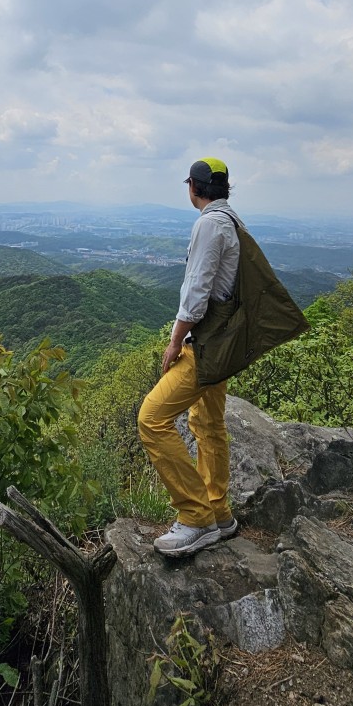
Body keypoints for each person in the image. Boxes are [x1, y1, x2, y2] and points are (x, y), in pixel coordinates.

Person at [138, 157, 242, 558]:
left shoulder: (209, 224)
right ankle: (218, 512)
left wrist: (175, 340)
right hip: (225, 342)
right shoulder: (232, 221)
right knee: (207, 422)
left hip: (206, 343)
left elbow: (196, 290)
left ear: (194, 188)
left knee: (152, 418)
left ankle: (195, 516)